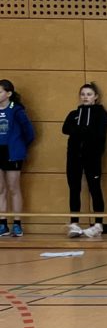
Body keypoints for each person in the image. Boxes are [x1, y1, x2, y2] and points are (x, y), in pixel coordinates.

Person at [62, 82, 107, 238]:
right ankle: (74, 223)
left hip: (92, 156)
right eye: (83, 94)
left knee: (94, 188)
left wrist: (80, 131)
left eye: (89, 94)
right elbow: (66, 128)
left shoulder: (101, 114)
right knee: (74, 188)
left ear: (95, 97)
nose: (85, 97)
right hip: (74, 156)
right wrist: (82, 130)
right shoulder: (73, 114)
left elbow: (98, 133)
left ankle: (98, 224)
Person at [0, 79, 34, 238]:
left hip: (12, 152)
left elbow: (29, 132)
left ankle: (17, 224)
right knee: (1, 189)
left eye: (0, 92)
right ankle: (2, 224)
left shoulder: (16, 109)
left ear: (8, 94)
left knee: (13, 188)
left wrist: (19, 146)